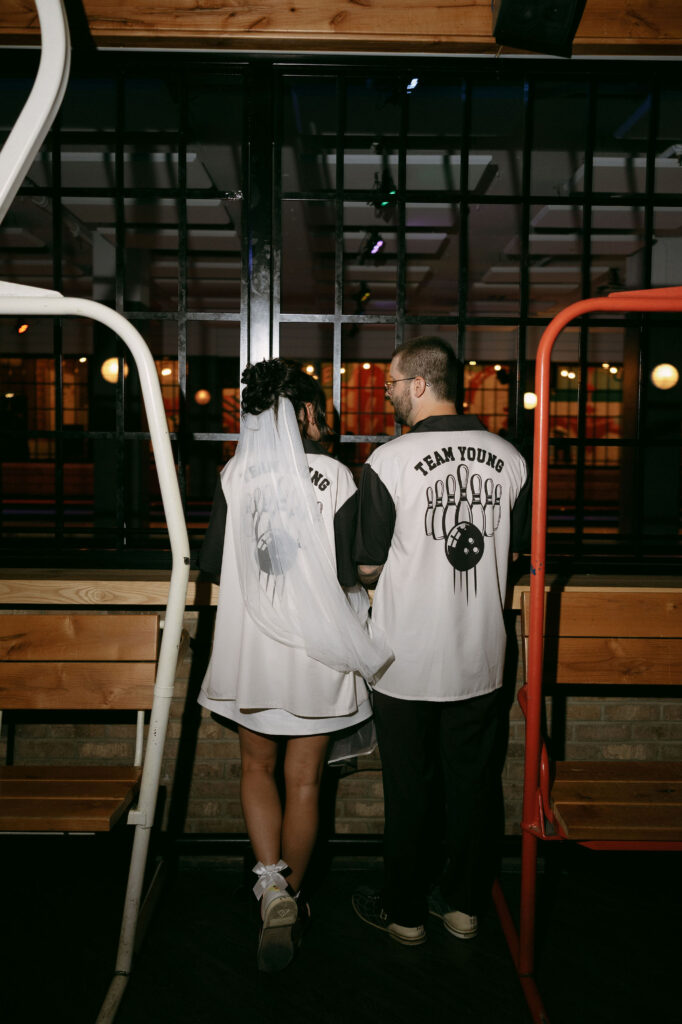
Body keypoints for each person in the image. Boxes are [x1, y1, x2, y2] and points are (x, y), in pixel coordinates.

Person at [197, 358, 392, 973]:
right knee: (305, 780)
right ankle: (294, 895)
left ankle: (270, 888)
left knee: (256, 767)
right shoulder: (338, 475)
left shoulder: (234, 475)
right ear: (306, 412)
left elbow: (211, 565)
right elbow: (357, 568)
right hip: (317, 649)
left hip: (252, 647)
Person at [351, 336, 529, 946]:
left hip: (404, 658)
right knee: (474, 786)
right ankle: (462, 906)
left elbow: (368, 565)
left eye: (392, 385)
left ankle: (403, 912)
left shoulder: (389, 461)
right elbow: (517, 555)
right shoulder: (511, 457)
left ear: (420, 385)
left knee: (409, 787)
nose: (388, 395)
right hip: (480, 655)